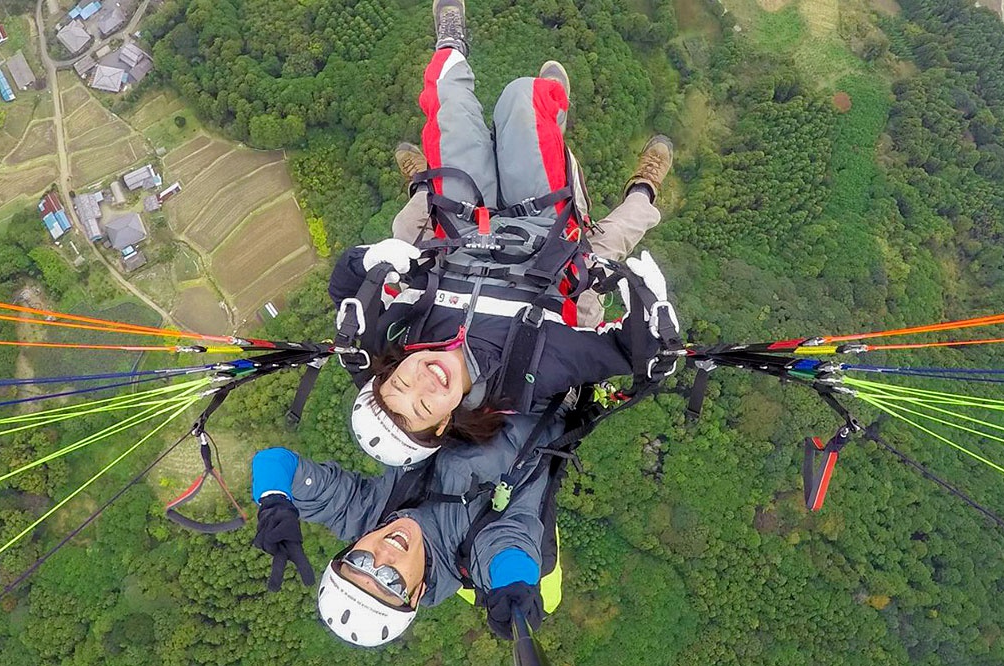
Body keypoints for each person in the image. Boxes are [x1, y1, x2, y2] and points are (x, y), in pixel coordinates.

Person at [331, 0, 680, 467]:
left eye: (398, 383)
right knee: (525, 97)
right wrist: (650, 309)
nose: (422, 382)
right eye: (421, 407)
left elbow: (345, 288)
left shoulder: (398, 333)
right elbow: (624, 353)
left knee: (428, 164)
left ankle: (449, 48)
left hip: (459, 225)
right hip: (544, 240)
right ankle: (644, 185)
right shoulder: (526, 370)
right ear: (441, 425)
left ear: (390, 370)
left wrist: (367, 261)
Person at [248, 412, 562, 647]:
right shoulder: (473, 552)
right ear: (418, 593)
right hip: (547, 395)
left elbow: (273, 462)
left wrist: (273, 501)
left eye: (359, 563)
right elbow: (508, 543)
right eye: (390, 582)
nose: (382, 556)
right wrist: (513, 585)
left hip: (477, 370)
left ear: (348, 550)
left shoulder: (365, 513)